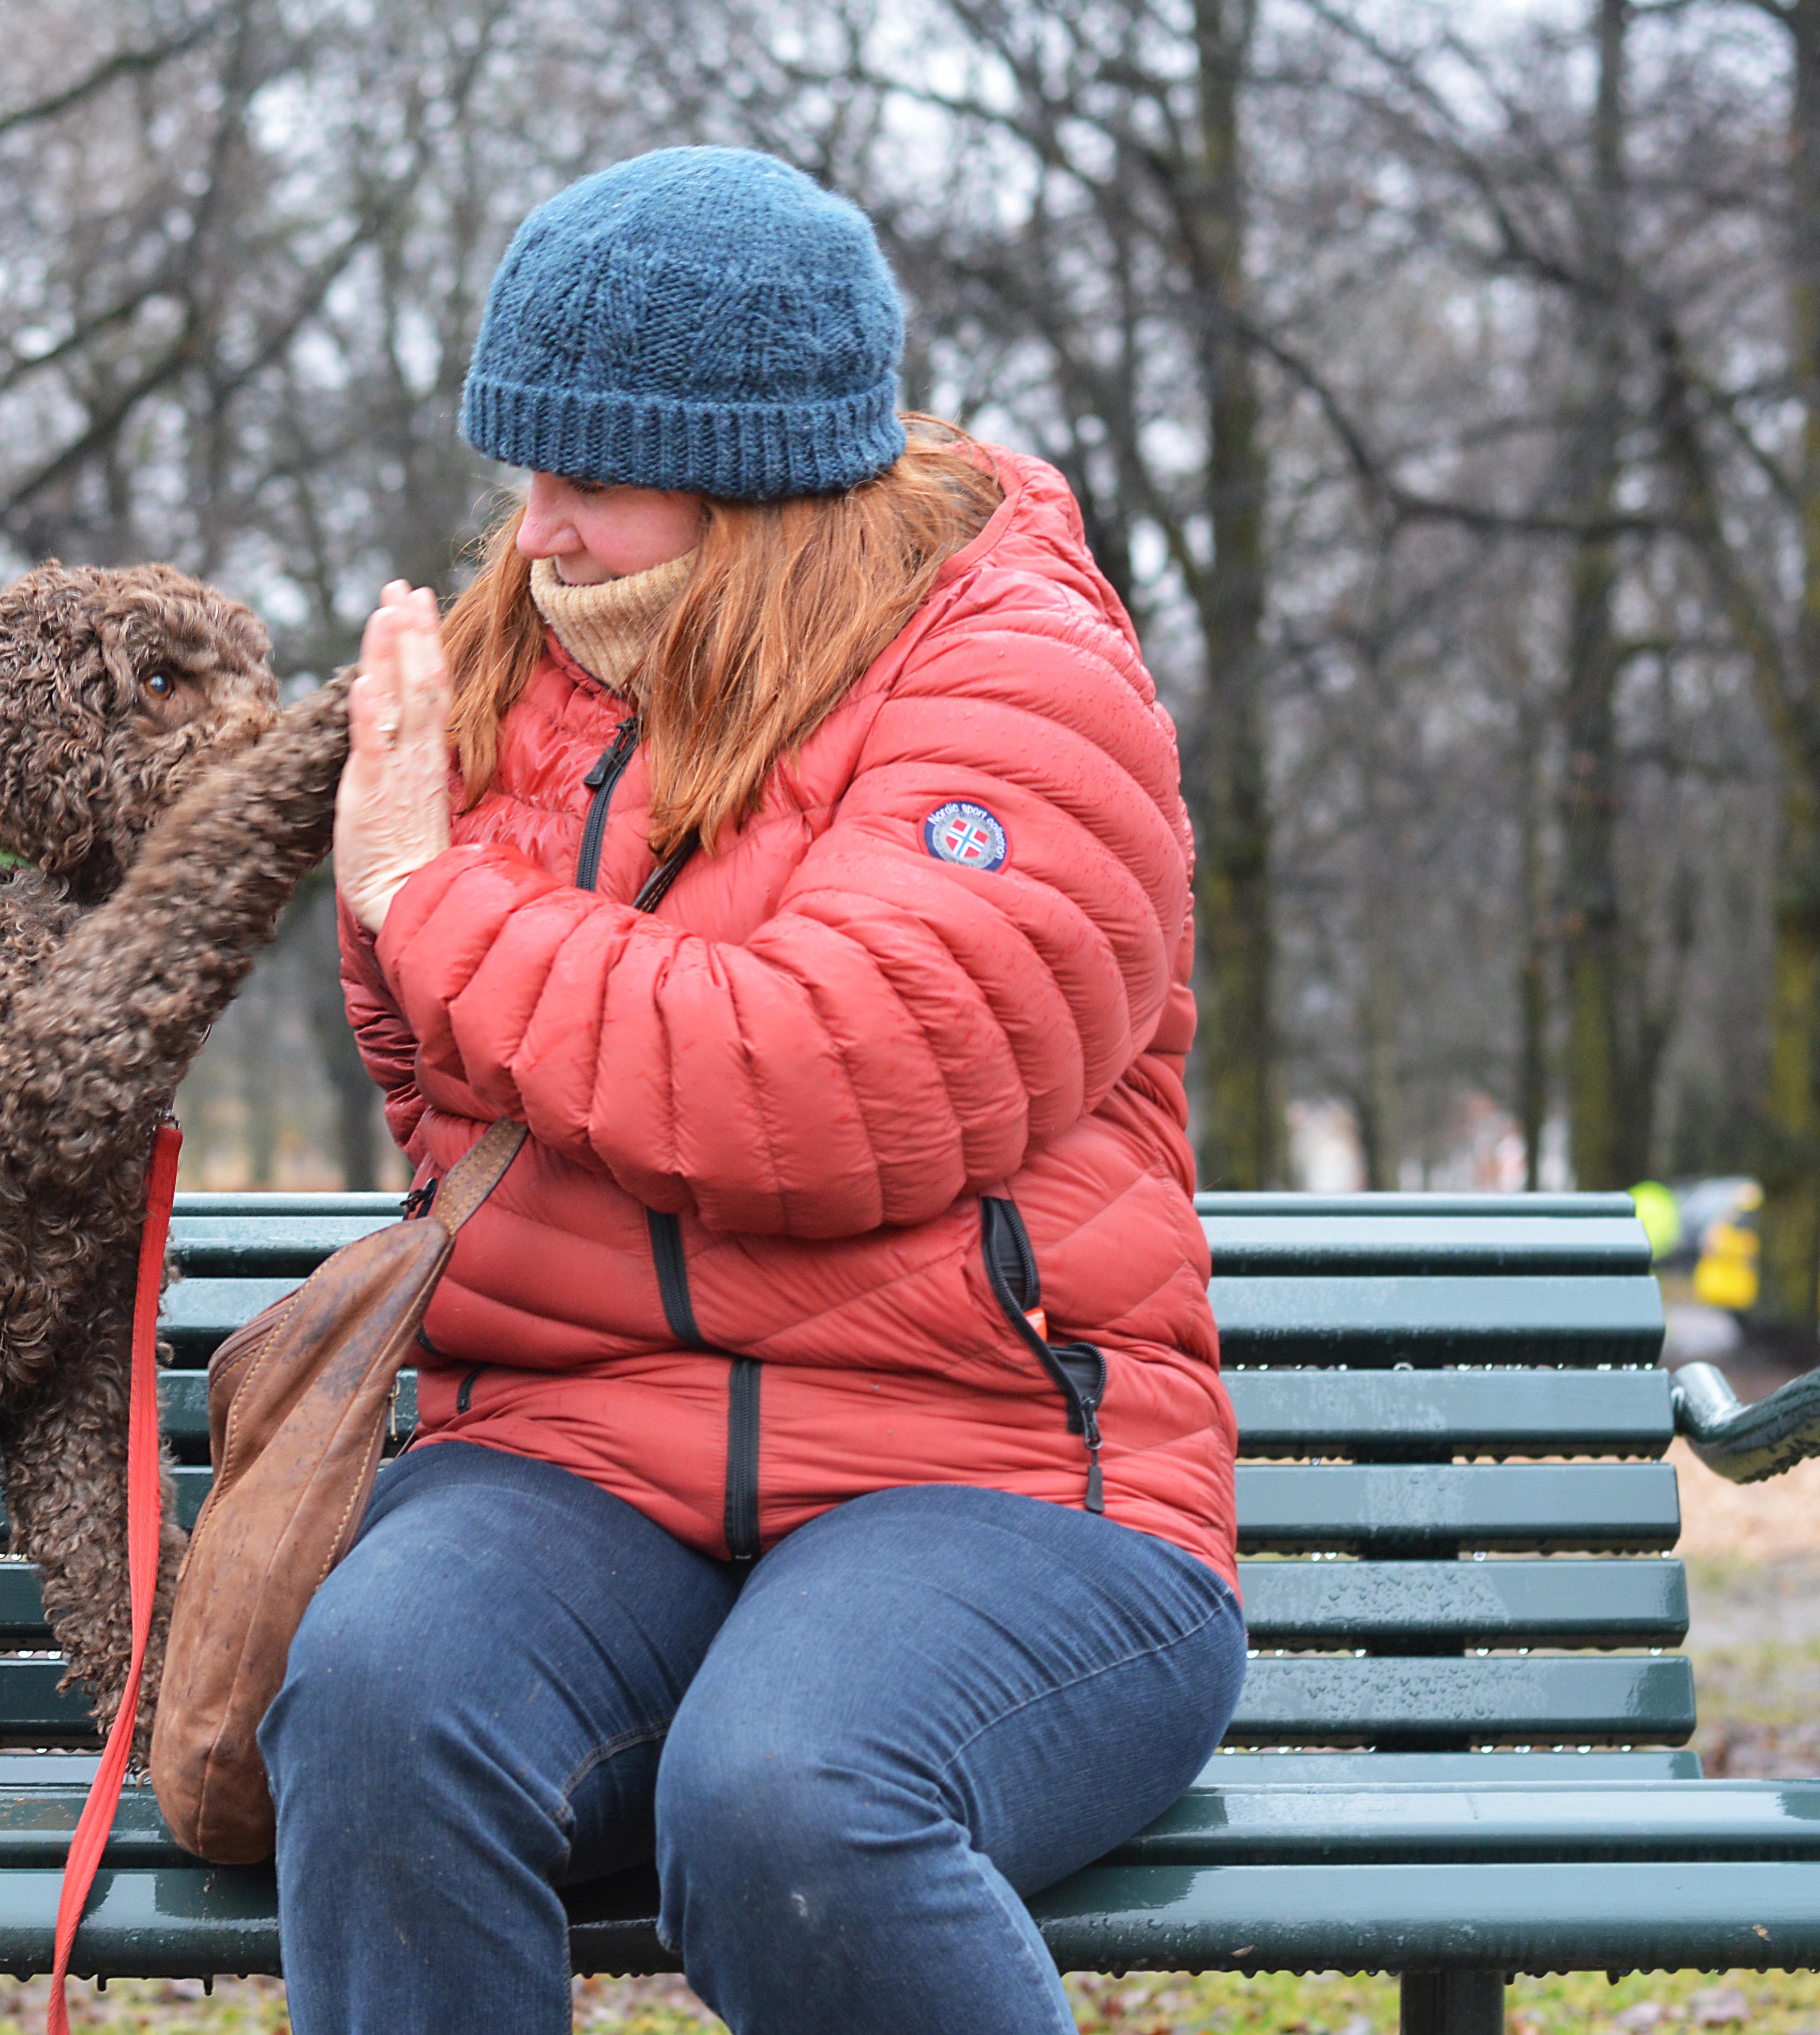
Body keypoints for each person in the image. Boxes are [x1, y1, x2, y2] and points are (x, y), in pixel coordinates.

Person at [269, 146, 1244, 2033]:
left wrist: (424, 896)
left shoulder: (1021, 679)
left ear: (764, 485)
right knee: (380, 1706)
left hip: (1000, 1473)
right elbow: (441, 1084)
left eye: (593, 482)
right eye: (518, 472)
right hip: (575, 1448)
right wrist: (405, 908)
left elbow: (824, 1078)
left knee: (792, 1795)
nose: (534, 533)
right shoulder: (516, 671)